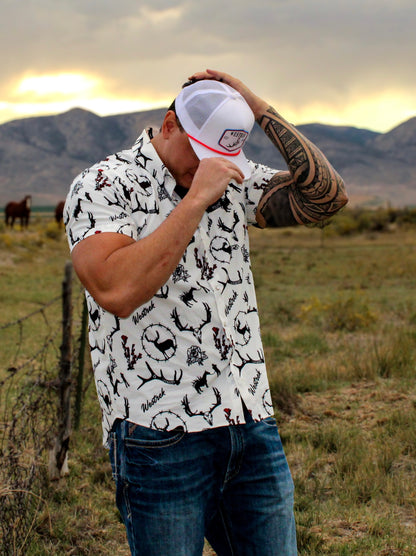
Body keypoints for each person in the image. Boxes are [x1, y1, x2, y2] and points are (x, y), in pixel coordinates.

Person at [64, 69, 348, 556]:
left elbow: (326, 196)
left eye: (221, 157)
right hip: (160, 435)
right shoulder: (103, 185)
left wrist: (254, 106)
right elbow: (116, 290)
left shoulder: (228, 176)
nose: (208, 169)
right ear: (170, 124)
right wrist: (196, 200)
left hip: (249, 421)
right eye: (201, 154)